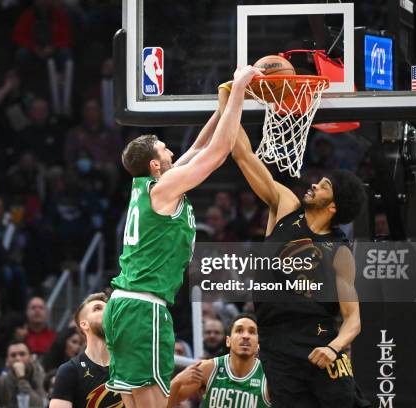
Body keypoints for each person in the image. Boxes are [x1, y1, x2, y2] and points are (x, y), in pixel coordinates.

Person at [102, 65, 261, 408]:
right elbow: (217, 154)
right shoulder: (165, 187)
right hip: (144, 309)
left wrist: (222, 108)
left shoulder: (152, 186)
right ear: (155, 165)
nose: (172, 151)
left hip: (125, 305)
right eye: (164, 149)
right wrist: (240, 91)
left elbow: (200, 146)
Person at [220, 82, 367, 407]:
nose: (314, 184)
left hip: (319, 338)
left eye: (324, 185)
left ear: (334, 206)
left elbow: (353, 318)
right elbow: (241, 153)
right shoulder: (286, 206)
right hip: (275, 340)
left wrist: (334, 347)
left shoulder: (340, 251)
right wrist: (228, 100)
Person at [168, 314, 271, 408]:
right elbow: (164, 405)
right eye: (239, 330)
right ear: (228, 341)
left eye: (252, 332)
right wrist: (177, 381)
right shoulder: (208, 368)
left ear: (258, 344)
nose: (245, 336)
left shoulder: (269, 377)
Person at [50, 292, 122, 408]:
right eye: (98, 308)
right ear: (84, 324)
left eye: (109, 307)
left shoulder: (131, 366)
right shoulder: (70, 371)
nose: (108, 310)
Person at [0, 340, 46, 408]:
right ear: (7, 361)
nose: (18, 358)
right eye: (13, 355)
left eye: (22, 354)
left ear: (31, 358)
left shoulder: (41, 379)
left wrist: (22, 380)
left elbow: (40, 405)